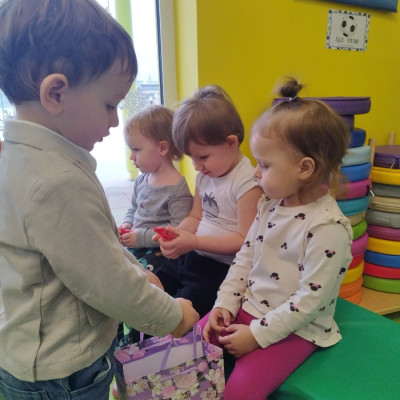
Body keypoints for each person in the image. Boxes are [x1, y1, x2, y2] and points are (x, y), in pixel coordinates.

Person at [0, 1, 199, 400]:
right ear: (56, 93)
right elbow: (108, 285)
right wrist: (174, 316)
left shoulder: (22, 159)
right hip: (64, 373)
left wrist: (138, 270)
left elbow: (93, 246)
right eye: (109, 105)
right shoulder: (56, 182)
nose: (113, 121)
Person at [200, 77, 353, 400]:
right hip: (250, 307)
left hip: (297, 329)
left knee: (240, 391)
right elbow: (245, 258)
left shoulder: (327, 227)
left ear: (304, 168)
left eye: (265, 164)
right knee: (194, 341)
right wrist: (225, 303)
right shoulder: (269, 205)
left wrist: (256, 335)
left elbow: (308, 303)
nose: (255, 172)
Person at [152, 85, 263, 318]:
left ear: (231, 143)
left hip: (222, 268)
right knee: (154, 283)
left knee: (185, 306)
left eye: (202, 157)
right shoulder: (205, 175)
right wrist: (176, 233)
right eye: (192, 158)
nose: (196, 166)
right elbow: (196, 216)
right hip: (194, 254)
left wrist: (194, 241)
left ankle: (170, 333)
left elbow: (244, 240)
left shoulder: (247, 182)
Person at [119, 105, 193, 271]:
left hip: (159, 251)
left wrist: (141, 238)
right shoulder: (141, 180)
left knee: (140, 273)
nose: (131, 156)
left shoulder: (177, 190)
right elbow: (133, 209)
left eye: (136, 149)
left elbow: (176, 230)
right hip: (137, 243)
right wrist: (127, 224)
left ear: (162, 148)